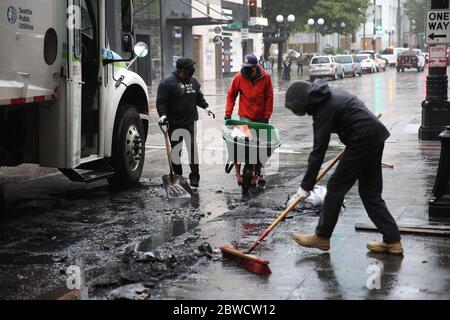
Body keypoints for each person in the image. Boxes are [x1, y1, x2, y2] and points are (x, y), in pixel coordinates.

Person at [284, 79, 403, 255]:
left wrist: (305, 186)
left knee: (335, 188)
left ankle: (322, 237)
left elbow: (318, 151)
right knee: (370, 194)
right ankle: (393, 241)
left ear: (303, 103)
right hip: (373, 136)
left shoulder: (323, 109)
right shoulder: (326, 94)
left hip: (362, 139)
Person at [156, 58, 215, 188]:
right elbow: (161, 102)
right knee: (176, 152)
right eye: (188, 70)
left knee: (192, 150)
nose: (191, 72)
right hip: (174, 124)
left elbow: (198, 97)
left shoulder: (193, 81)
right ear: (180, 70)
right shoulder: (166, 83)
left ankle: (194, 177)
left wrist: (206, 107)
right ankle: (178, 176)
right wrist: (163, 115)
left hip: (190, 123)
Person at [225, 53, 274, 185]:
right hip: (245, 116)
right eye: (244, 66)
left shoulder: (265, 78)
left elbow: (269, 96)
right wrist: (228, 113)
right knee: (243, 142)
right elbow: (231, 95)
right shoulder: (239, 77)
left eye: (248, 67)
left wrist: (267, 115)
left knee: (261, 144)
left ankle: (259, 168)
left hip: (261, 117)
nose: (244, 69)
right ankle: (241, 170)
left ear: (255, 67)